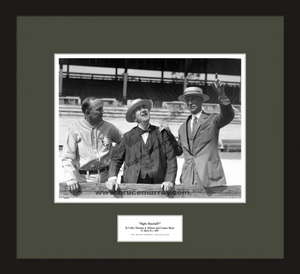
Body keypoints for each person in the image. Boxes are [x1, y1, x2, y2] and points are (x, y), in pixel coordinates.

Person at [106, 98, 178, 192]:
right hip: (132, 184)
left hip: (159, 184)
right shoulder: (127, 137)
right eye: (138, 109)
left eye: (144, 107)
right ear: (134, 118)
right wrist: (112, 179)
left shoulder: (162, 133)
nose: (143, 110)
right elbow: (116, 160)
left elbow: (171, 159)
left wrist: (169, 180)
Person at [176, 78, 235, 187]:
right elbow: (178, 151)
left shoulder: (213, 119)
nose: (190, 102)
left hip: (210, 179)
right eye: (187, 100)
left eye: (193, 99)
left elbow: (228, 116)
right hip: (187, 179)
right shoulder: (182, 128)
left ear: (201, 100)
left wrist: (222, 95)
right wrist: (167, 135)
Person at [61, 97, 123, 196]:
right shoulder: (74, 129)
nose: (103, 112)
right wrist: (70, 178)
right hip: (82, 179)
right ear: (88, 112)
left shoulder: (110, 128)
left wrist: (115, 153)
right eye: (99, 109)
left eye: (102, 108)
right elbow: (67, 158)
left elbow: (124, 143)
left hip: (105, 177)